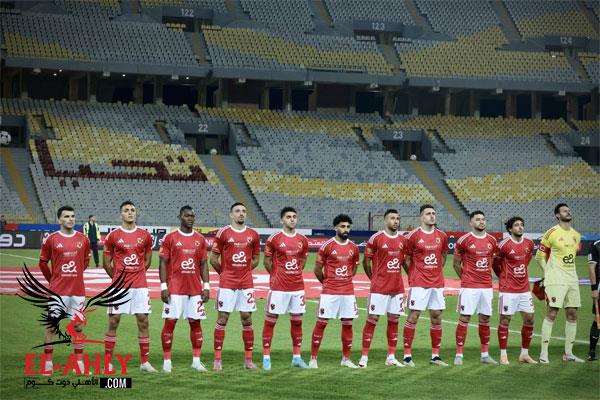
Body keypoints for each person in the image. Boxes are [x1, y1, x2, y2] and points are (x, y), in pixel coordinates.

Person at [103, 201, 157, 372]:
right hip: (119, 287)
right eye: (126, 210)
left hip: (140, 286)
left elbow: (147, 261)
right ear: (121, 214)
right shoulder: (113, 236)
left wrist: (137, 274)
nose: (130, 212)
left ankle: (145, 363)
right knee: (114, 321)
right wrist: (118, 279)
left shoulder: (145, 235)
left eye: (132, 210)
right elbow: (106, 263)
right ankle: (108, 362)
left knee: (143, 321)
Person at [38, 206, 91, 374]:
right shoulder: (52, 239)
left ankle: (79, 365)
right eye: (67, 216)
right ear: (59, 219)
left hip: (77, 291)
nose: (70, 219)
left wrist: (76, 275)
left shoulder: (83, 239)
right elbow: (43, 263)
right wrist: (52, 280)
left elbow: (85, 262)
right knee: (52, 327)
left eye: (73, 216)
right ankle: (48, 364)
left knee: (78, 327)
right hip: (58, 292)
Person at [159, 206, 210, 373]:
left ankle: (196, 361)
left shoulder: (200, 239)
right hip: (175, 288)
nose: (190, 218)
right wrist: (163, 286)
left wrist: (206, 286)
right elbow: (163, 262)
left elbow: (203, 264)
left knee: (196, 323)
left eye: (192, 216)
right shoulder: (170, 237)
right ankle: (167, 362)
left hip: (195, 289)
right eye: (187, 216)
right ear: (180, 217)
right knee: (170, 323)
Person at [211, 202, 260, 371]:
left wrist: (245, 271)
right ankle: (217, 360)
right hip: (227, 284)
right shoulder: (223, 233)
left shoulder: (253, 234)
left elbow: (256, 258)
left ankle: (248, 360)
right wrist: (224, 274)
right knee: (222, 319)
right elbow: (213, 259)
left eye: (244, 211)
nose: (241, 213)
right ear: (231, 214)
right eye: (237, 211)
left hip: (246, 284)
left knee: (247, 318)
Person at [309, 214, 360, 369]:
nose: (346, 229)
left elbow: (353, 269)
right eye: (342, 226)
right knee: (321, 323)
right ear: (335, 228)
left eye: (348, 227)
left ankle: (346, 359)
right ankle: (313, 359)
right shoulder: (327, 246)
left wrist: (345, 280)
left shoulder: (353, 248)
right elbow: (317, 270)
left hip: (348, 292)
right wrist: (327, 283)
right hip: (330, 292)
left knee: (348, 324)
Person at [358, 209, 407, 368]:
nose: (396, 221)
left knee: (394, 321)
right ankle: (364, 357)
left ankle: (391, 357)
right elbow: (366, 261)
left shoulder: (403, 240)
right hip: (379, 288)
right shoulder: (376, 238)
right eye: (392, 218)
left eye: (398, 218)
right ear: (385, 221)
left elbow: (404, 261)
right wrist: (373, 278)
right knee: (372, 320)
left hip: (397, 288)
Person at [262, 207, 309, 370]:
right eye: (288, 217)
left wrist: (292, 274)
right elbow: (267, 262)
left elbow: (302, 262)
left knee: (297, 323)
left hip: (297, 288)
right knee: (270, 321)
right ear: (282, 220)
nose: (292, 219)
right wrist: (277, 275)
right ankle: (266, 358)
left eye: (294, 216)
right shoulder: (274, 239)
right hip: (279, 288)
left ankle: (297, 357)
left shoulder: (303, 239)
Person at [536, 203, 584, 363]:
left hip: (572, 278)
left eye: (569, 210)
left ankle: (568, 354)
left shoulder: (576, 235)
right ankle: (543, 354)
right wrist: (548, 273)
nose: (568, 212)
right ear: (557, 215)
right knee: (552, 313)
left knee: (572, 314)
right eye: (564, 211)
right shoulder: (552, 232)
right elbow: (539, 256)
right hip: (556, 279)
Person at [402, 204, 449, 367]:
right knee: (414, 315)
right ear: (421, 217)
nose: (432, 216)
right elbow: (406, 258)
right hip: (419, 283)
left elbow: (443, 256)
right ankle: (407, 356)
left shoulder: (442, 236)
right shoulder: (412, 236)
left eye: (434, 213)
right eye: (428, 213)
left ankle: (435, 356)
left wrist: (436, 271)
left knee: (436, 316)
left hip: (437, 283)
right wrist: (413, 274)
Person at [453, 211, 499, 366]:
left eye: (483, 219)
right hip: (469, 287)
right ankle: (459, 354)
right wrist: (466, 279)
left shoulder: (492, 240)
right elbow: (456, 264)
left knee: (485, 319)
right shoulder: (464, 240)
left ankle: (485, 355)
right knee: (464, 318)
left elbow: (491, 261)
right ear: (471, 223)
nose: (481, 221)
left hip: (486, 286)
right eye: (478, 219)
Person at [492, 217, 537, 365]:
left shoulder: (529, 243)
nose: (520, 227)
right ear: (510, 229)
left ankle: (524, 354)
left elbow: (527, 260)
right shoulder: (503, 245)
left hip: (524, 289)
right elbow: (496, 264)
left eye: (522, 225)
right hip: (508, 289)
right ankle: (503, 355)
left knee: (529, 319)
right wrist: (503, 276)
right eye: (517, 225)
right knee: (505, 320)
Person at [588, 239, 600, 361]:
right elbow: (592, 268)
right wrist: (594, 288)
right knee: (598, 319)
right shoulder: (596, 246)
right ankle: (592, 351)